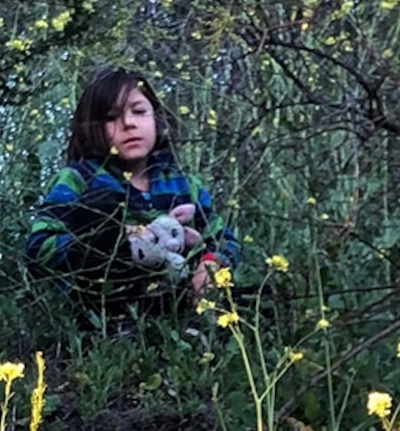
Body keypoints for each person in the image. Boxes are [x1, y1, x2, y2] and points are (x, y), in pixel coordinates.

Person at [22, 67, 239, 314]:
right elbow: (38, 246)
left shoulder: (185, 185)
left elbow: (223, 241)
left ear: (156, 118)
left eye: (139, 111)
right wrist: (100, 246)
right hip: (103, 314)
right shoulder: (78, 180)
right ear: (90, 127)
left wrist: (211, 266)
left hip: (180, 312)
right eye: (111, 117)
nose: (128, 124)